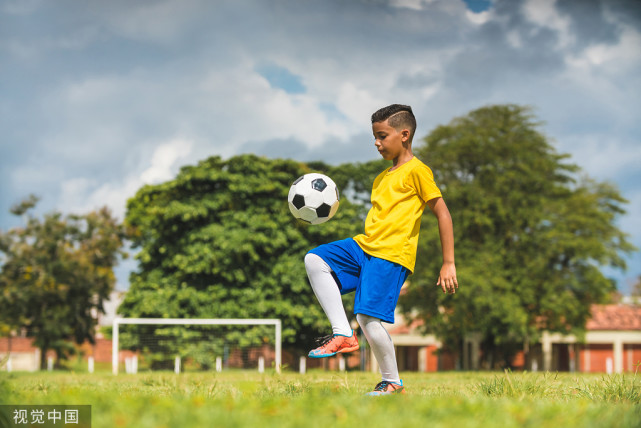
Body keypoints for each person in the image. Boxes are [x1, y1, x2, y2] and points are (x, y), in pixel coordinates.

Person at [304, 104, 458, 396]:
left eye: (382, 135)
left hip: (390, 254)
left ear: (404, 134)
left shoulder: (418, 171)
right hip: (365, 247)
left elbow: (443, 214)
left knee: (367, 318)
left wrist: (448, 262)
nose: (376, 142)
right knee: (315, 259)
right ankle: (343, 334)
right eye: (374, 136)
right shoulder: (381, 178)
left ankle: (392, 382)